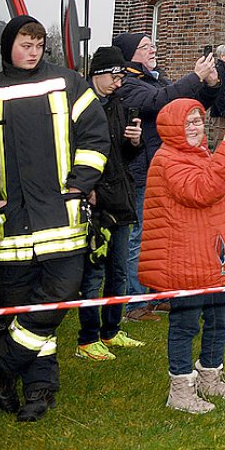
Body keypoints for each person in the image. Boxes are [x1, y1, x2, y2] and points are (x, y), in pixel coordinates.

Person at [0, 15, 109, 423]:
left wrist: (80, 184)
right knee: (26, 310)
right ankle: (39, 388)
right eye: (26, 44)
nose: (33, 52)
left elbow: (96, 136)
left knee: (58, 297)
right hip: (12, 225)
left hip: (62, 218)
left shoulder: (68, 83)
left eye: (39, 45)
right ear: (9, 46)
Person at [138, 99, 225, 413]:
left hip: (212, 258)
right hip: (184, 260)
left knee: (220, 319)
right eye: (187, 123)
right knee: (185, 323)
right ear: (172, 127)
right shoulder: (168, 159)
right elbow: (201, 191)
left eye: (198, 121)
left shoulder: (201, 154)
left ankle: (210, 376)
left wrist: (223, 156)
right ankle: (181, 390)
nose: (194, 128)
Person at [114, 31, 221, 320]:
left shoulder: (154, 79)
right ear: (129, 54)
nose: (152, 49)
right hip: (140, 171)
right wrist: (194, 77)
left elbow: (183, 105)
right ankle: (135, 303)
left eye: (152, 45)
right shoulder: (127, 84)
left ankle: (157, 294)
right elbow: (160, 101)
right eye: (145, 46)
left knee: (163, 236)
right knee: (139, 237)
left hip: (164, 170)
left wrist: (210, 86)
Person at [76, 47, 146, 361]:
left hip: (120, 198)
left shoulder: (120, 105)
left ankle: (112, 330)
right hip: (94, 203)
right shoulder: (79, 106)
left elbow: (126, 156)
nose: (118, 83)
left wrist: (134, 141)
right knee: (92, 274)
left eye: (121, 77)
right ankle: (87, 339)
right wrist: (86, 190)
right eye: (114, 76)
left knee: (118, 271)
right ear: (97, 74)